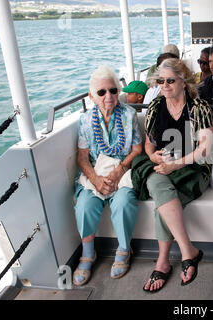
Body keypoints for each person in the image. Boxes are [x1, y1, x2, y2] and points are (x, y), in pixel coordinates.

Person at [135, 58, 213, 292]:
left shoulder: (199, 108)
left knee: (163, 199)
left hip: (192, 168)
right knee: (160, 183)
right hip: (161, 166)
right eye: (160, 81)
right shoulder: (155, 106)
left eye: (170, 80)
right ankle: (187, 251)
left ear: (184, 81)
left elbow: (205, 149)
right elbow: (149, 144)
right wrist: (153, 157)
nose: (165, 85)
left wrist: (175, 165)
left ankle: (163, 262)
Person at [72, 66, 143, 286]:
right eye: (101, 92)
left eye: (113, 90)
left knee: (123, 202)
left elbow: (137, 149)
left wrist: (119, 169)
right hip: (96, 172)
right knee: (84, 204)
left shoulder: (129, 114)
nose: (108, 96)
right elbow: (82, 157)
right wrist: (95, 179)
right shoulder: (85, 120)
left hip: (123, 170)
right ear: (92, 96)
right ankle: (88, 252)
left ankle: (124, 248)